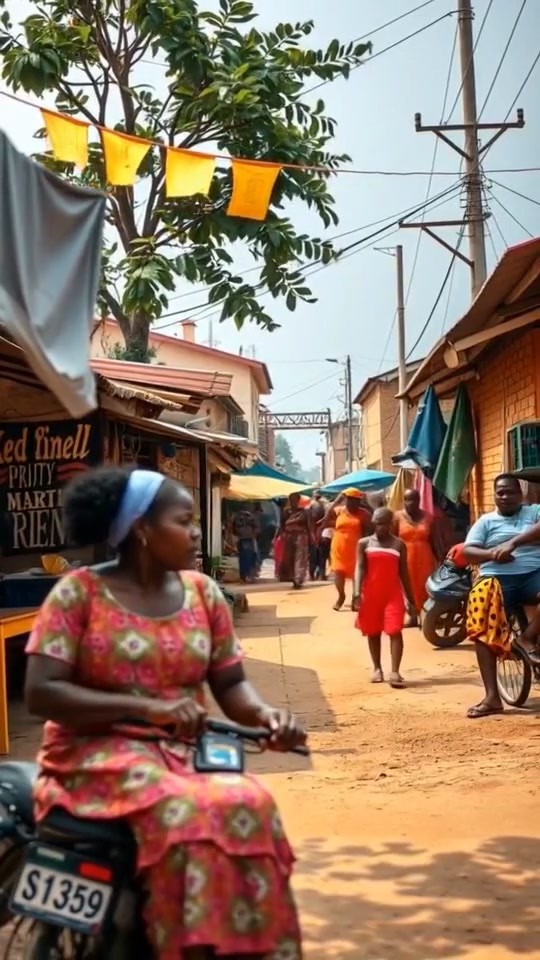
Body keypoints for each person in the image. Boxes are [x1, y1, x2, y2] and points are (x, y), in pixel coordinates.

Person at [24, 466, 306, 960]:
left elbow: (230, 683)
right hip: (92, 756)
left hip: (182, 753)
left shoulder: (203, 594)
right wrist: (148, 709)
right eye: (184, 521)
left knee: (253, 802)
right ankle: (181, 945)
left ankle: (247, 947)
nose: (197, 532)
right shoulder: (77, 593)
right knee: (191, 812)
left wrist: (266, 716)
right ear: (142, 529)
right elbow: (42, 692)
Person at [463, 473, 540, 718]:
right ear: (494, 495)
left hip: (533, 574)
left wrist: (513, 543)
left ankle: (527, 638)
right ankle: (492, 698)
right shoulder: (485, 522)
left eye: (511, 492)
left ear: (521, 494)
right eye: (501, 492)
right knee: (482, 622)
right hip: (496, 578)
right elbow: (468, 552)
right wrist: (493, 554)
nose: (506, 496)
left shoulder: (534, 512)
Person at [353, 507, 416, 688]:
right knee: (373, 632)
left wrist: (410, 599)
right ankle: (377, 668)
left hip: (392, 594)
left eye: (384, 523)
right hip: (371, 594)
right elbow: (360, 567)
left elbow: (404, 573)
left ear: (391, 524)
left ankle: (395, 671)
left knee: (395, 630)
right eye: (377, 523)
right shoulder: (364, 543)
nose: (380, 527)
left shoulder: (398, 544)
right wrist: (356, 592)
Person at [394, 488, 442, 625]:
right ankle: (412, 615)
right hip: (405, 559)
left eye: (414, 499)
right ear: (404, 501)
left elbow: (435, 541)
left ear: (419, 501)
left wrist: (441, 560)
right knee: (408, 587)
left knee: (425, 586)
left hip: (425, 559)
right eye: (408, 499)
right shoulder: (397, 517)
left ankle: (427, 616)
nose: (411, 502)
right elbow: (392, 539)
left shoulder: (428, 518)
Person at [324, 489, 371, 611]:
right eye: (350, 499)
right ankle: (341, 596)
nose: (353, 502)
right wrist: (336, 501)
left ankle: (355, 599)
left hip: (356, 549)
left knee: (357, 575)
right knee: (338, 572)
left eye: (356, 500)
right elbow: (326, 518)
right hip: (338, 548)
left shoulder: (364, 514)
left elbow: (370, 531)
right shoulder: (339, 511)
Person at [278, 492, 312, 589]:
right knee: (289, 558)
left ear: (298, 500)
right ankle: (292, 578)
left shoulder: (304, 512)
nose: (293, 501)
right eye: (291, 499)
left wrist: (311, 536)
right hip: (289, 536)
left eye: (295, 499)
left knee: (300, 558)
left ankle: (298, 579)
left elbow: (309, 525)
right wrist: (280, 535)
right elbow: (282, 525)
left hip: (301, 536)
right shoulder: (286, 512)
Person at [232, 507, 259, 582]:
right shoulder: (250, 516)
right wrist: (253, 534)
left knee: (242, 557)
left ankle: (243, 575)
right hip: (250, 539)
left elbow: (233, 530)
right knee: (251, 556)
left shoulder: (236, 517)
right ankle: (249, 574)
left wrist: (238, 534)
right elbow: (256, 527)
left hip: (241, 539)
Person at [307, 490, 326, 581]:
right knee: (321, 555)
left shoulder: (311, 505)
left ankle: (313, 574)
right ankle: (320, 574)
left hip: (315, 531)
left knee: (313, 555)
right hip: (319, 531)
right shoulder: (323, 505)